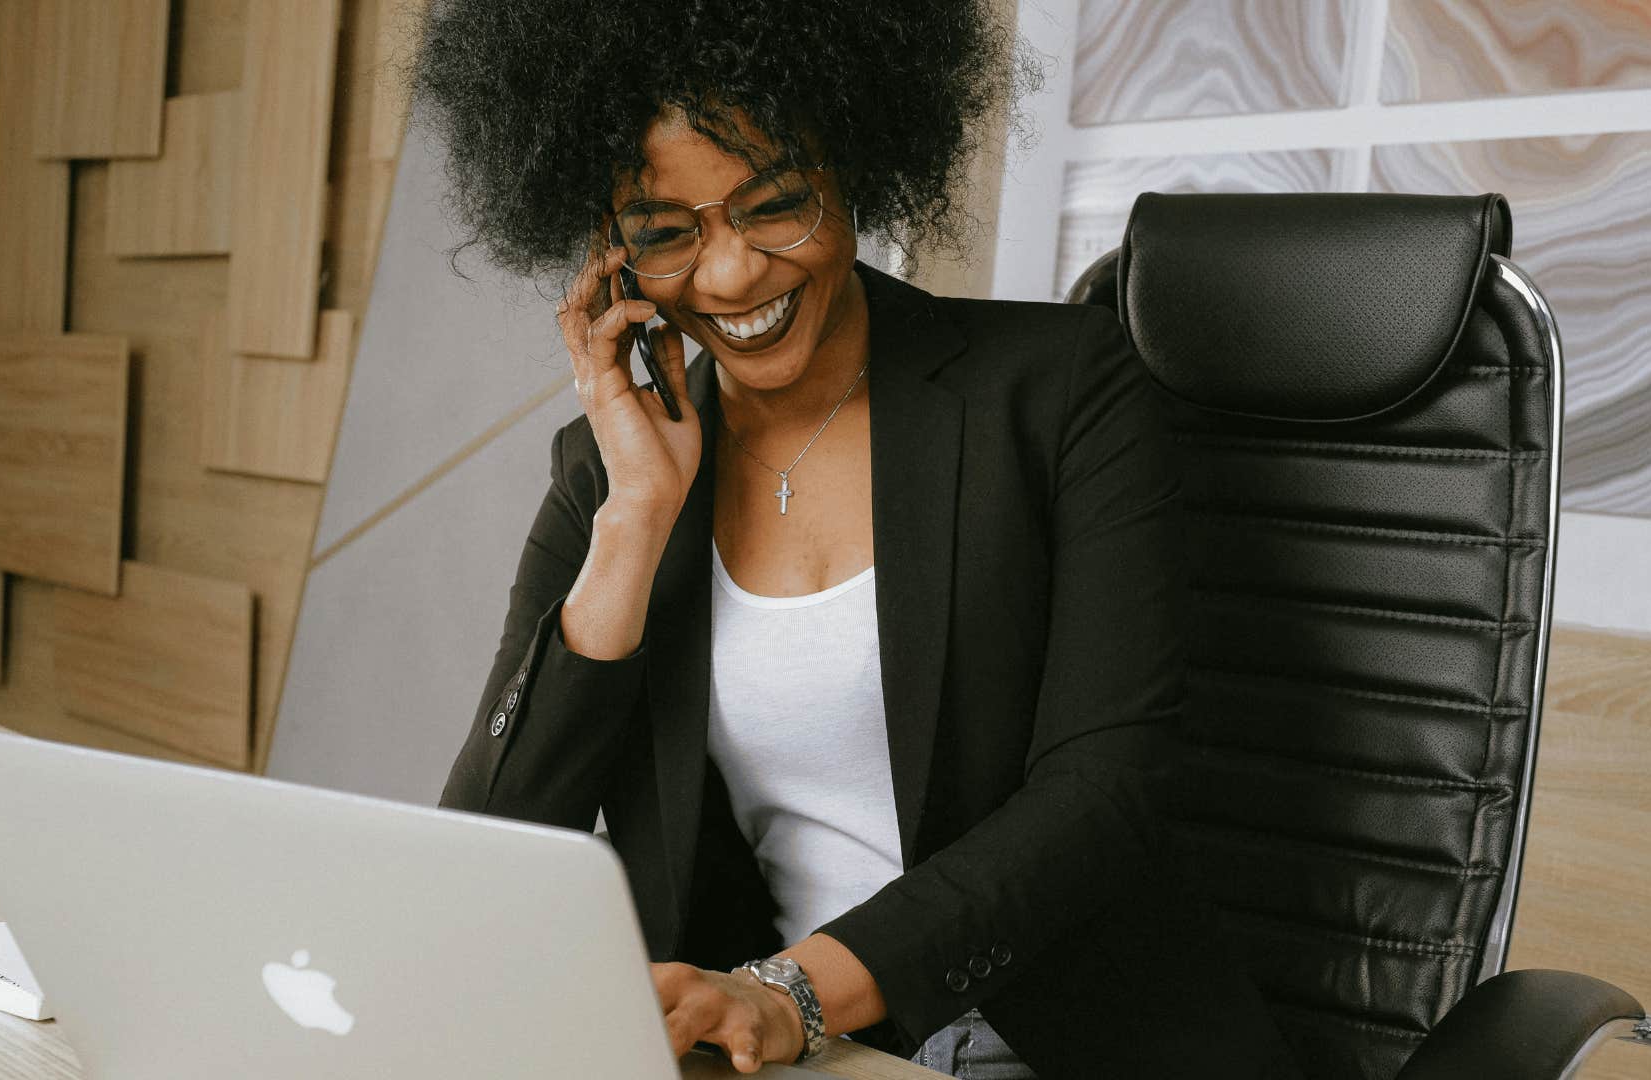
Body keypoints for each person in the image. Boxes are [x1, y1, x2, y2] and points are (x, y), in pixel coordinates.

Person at [418, 2, 1298, 1076]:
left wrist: (792, 994)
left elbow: (1103, 793)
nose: (732, 274)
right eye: (664, 230)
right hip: (760, 1056)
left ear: (857, 164)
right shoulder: (613, 467)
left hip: (1055, 1037)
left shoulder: (1062, 389)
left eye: (775, 205)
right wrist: (637, 516)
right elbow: (492, 848)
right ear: (610, 249)